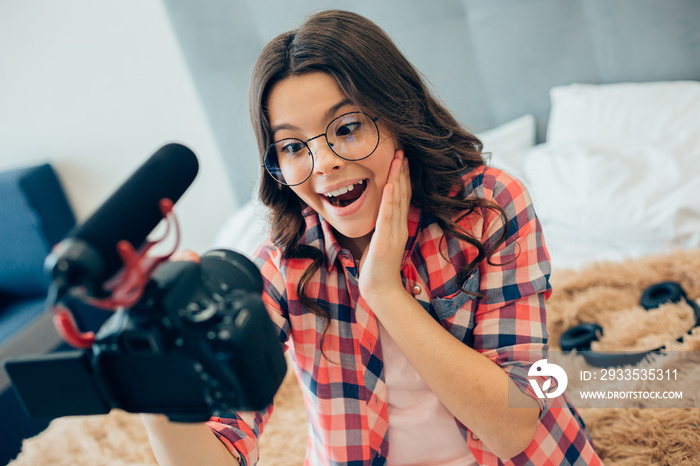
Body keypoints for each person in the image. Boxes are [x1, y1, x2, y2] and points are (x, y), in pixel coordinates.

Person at [143, 9, 601, 466]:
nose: (322, 164)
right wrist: (152, 384)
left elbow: (513, 427)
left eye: (346, 128)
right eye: (293, 147)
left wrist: (383, 290)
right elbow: (221, 447)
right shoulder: (284, 263)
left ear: (398, 114)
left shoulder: (490, 206)